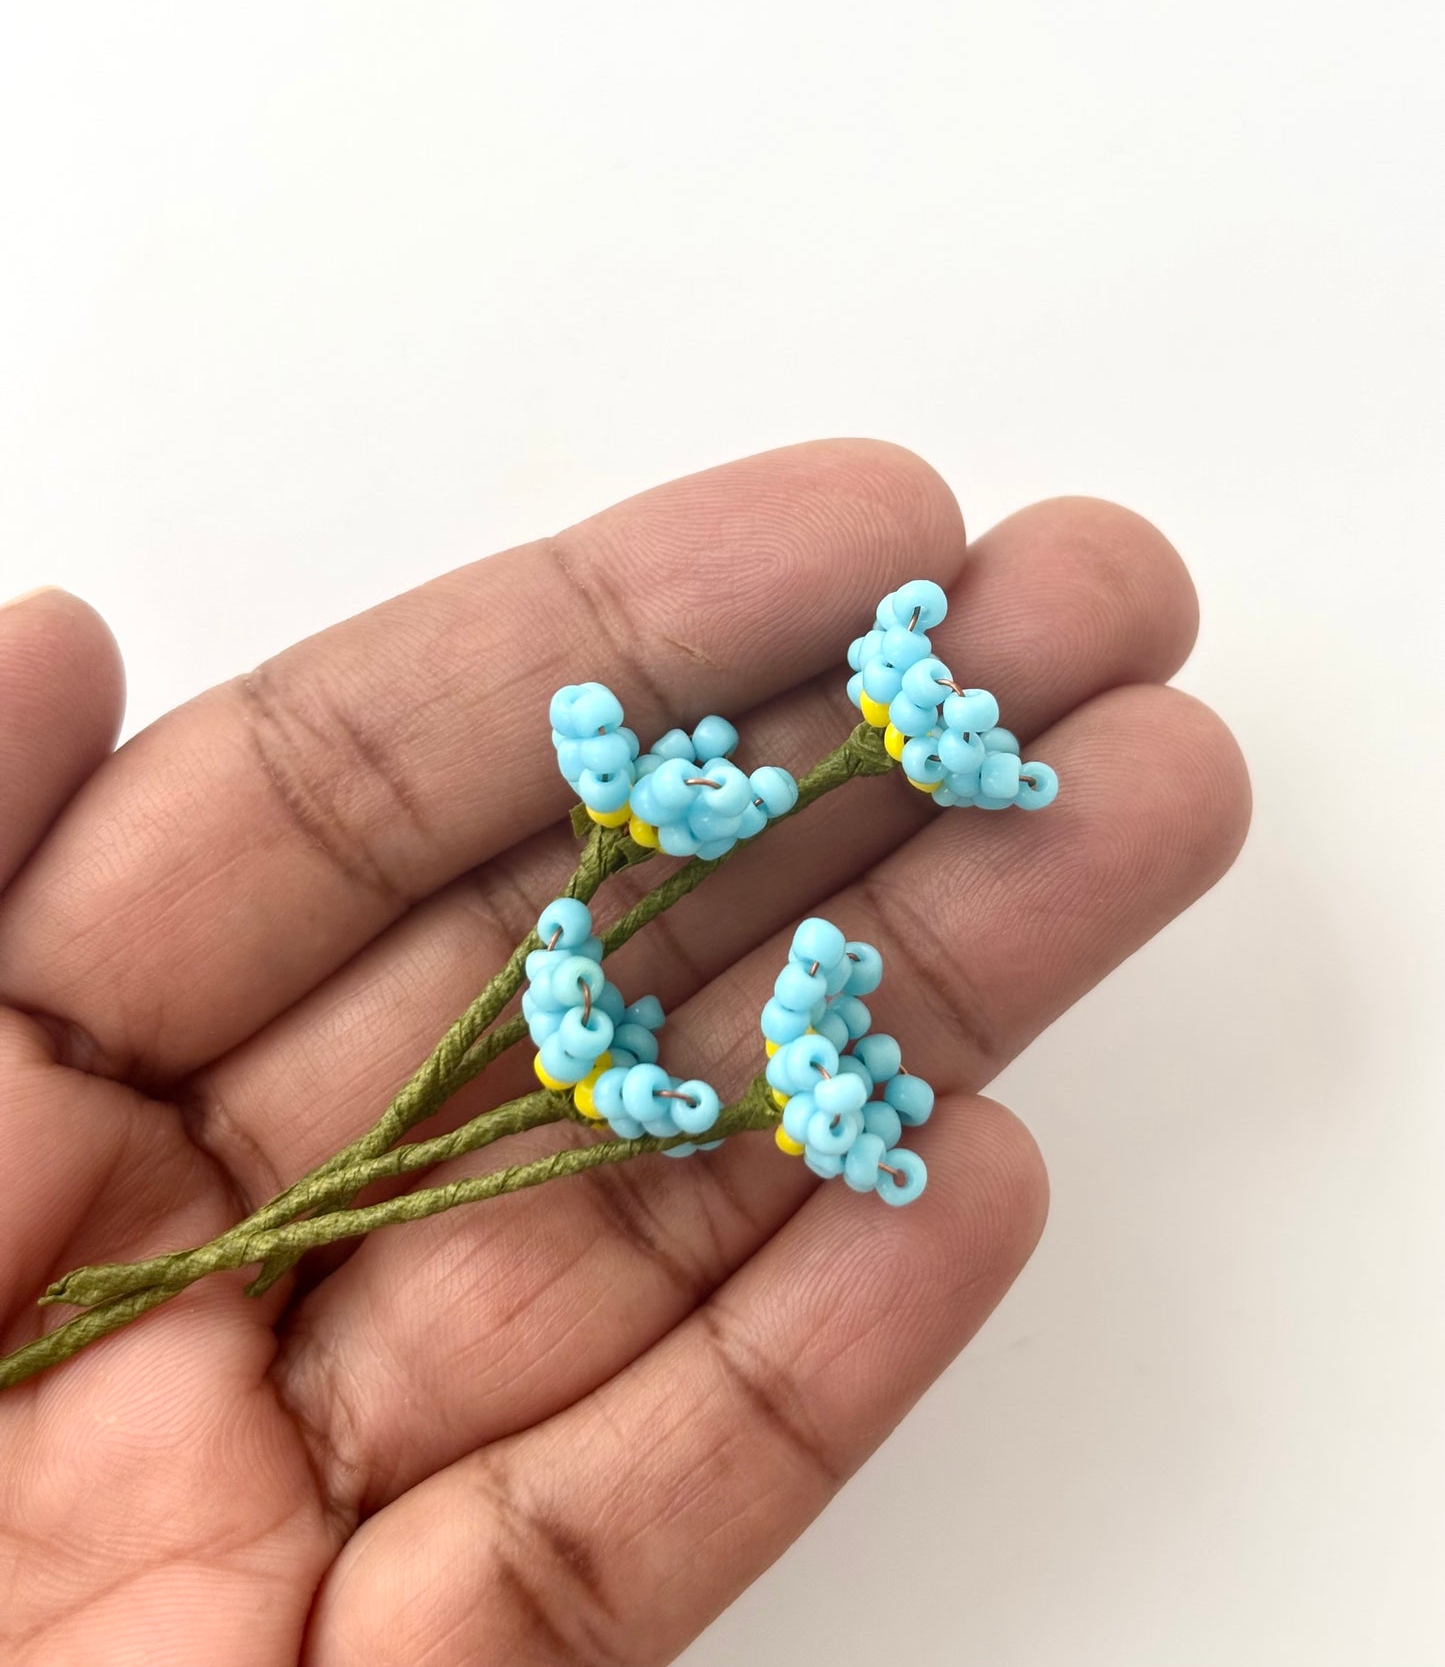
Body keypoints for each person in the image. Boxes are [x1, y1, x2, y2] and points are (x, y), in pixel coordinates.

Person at [0, 440, 1248, 1665]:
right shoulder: (630, 924)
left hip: (622, 1053)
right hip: (607, 1040)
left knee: (565, 1051)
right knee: (519, 1059)